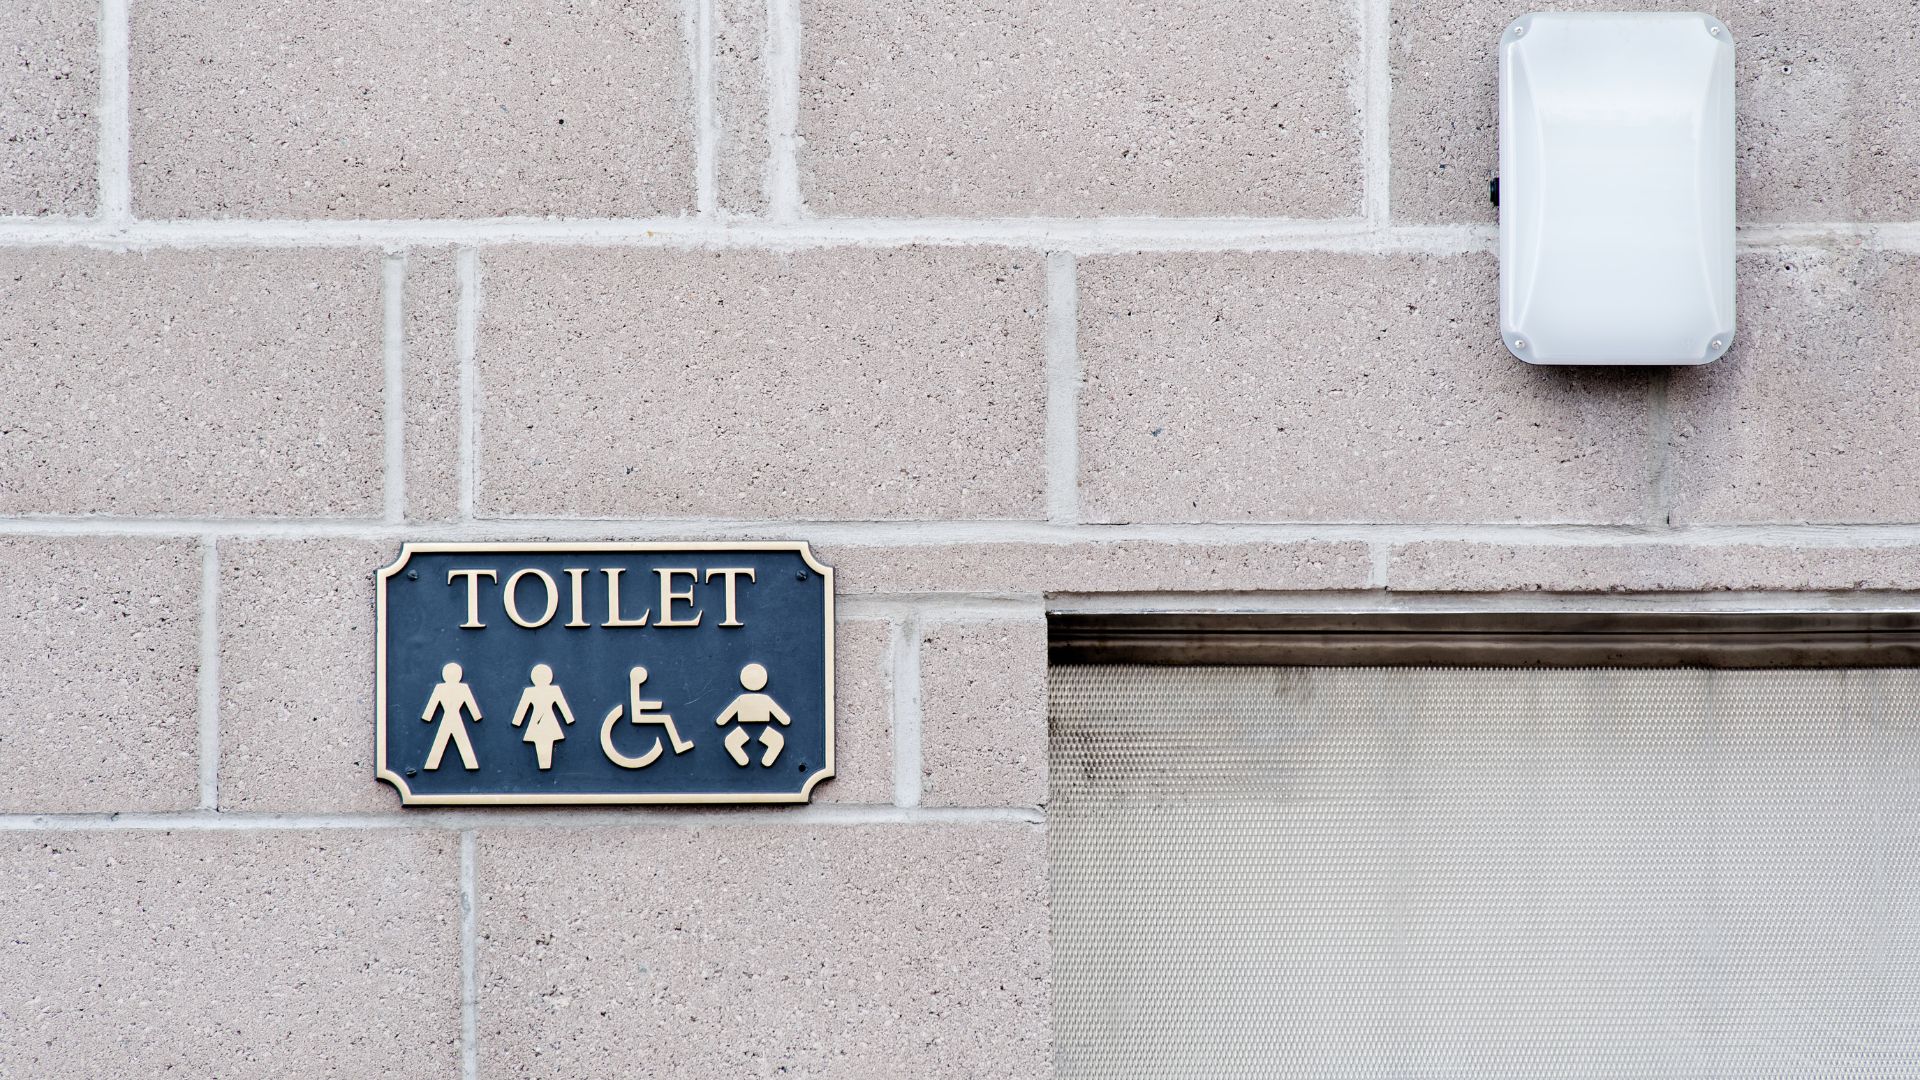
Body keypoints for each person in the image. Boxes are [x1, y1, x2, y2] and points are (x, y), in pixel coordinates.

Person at [713, 663, 791, 767]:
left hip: (742, 729)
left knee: (730, 742)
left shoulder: (741, 700)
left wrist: (722, 721)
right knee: (777, 741)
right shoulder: (765, 700)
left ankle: (744, 760)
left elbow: (721, 720)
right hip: (764, 729)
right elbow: (785, 720)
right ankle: (764, 761)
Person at [510, 663, 577, 771]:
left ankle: (544, 765)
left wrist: (517, 722)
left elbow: (519, 715)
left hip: (537, 724)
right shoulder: (552, 690)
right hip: (549, 723)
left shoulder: (531, 692)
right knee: (545, 742)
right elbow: (565, 710)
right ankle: (544, 765)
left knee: (542, 742)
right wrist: (569, 719)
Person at [420, 662, 483, 771]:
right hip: (455, 719)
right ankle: (471, 764)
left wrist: (428, 717)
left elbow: (430, 710)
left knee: (441, 741)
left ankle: (432, 764)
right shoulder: (463, 688)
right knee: (462, 741)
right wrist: (476, 716)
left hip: (448, 718)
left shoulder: (440, 688)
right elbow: (474, 710)